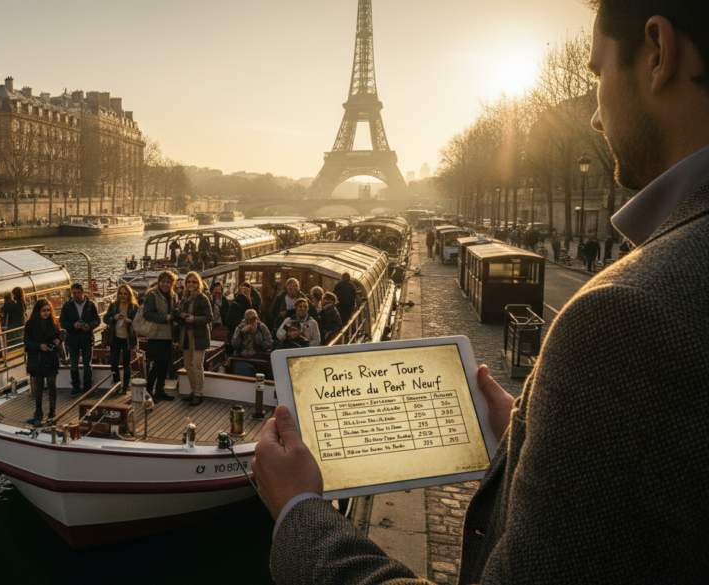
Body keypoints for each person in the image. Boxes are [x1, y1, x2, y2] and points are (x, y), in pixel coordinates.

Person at [255, 2, 709, 582]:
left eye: (597, 74)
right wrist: (531, 445)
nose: (595, 116)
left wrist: (299, 513)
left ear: (658, 52)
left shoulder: (623, 316)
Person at [177, 272, 213, 406]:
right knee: (188, 365)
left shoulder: (203, 298)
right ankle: (194, 390)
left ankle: (199, 393)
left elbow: (209, 317)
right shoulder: (184, 298)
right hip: (186, 335)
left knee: (197, 365)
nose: (191, 284)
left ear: (198, 284)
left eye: (194, 282)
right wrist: (181, 315)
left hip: (199, 336)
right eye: (189, 282)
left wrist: (194, 319)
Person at [24, 299, 61, 423]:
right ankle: (38, 411)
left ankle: (52, 411)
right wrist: (39, 346)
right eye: (44, 311)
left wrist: (57, 340)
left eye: (48, 310)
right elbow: (27, 343)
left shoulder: (53, 323)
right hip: (38, 360)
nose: (46, 313)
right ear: (38, 311)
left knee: (52, 385)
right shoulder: (30, 325)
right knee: (38, 387)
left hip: (50, 358)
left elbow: (58, 336)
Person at [142, 271, 177, 402]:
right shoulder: (152, 294)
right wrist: (164, 317)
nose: (165, 284)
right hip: (156, 335)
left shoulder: (173, 295)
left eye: (168, 282)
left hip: (168, 335)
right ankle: (148, 391)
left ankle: (160, 390)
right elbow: (147, 314)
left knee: (165, 364)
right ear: (158, 282)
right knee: (157, 364)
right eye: (163, 281)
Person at [59, 283, 100, 397]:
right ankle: (76, 387)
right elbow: (62, 322)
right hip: (73, 339)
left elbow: (97, 320)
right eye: (74, 293)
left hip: (87, 338)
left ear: (83, 293)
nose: (76, 295)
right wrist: (73, 325)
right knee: (74, 364)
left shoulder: (90, 305)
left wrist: (89, 326)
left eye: (78, 293)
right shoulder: (67, 306)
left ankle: (87, 387)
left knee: (87, 364)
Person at [103, 284, 139, 394]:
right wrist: (113, 318)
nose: (122, 296)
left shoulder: (134, 307)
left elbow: (138, 322)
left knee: (126, 363)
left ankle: (125, 387)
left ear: (129, 295)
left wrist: (131, 321)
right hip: (115, 337)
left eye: (125, 294)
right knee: (113, 362)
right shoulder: (114, 305)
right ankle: (117, 384)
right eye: (120, 293)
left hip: (127, 338)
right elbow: (105, 319)